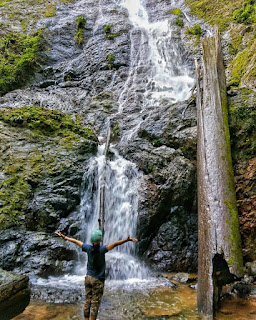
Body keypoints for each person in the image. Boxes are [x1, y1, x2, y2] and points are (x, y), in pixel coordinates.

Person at [56, 230, 138, 320]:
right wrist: (126, 240)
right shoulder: (102, 249)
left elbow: (75, 241)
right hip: (98, 279)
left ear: (91, 241)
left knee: (87, 300)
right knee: (95, 302)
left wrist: (64, 237)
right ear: (99, 241)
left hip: (88, 278)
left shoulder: (87, 248)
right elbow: (115, 244)